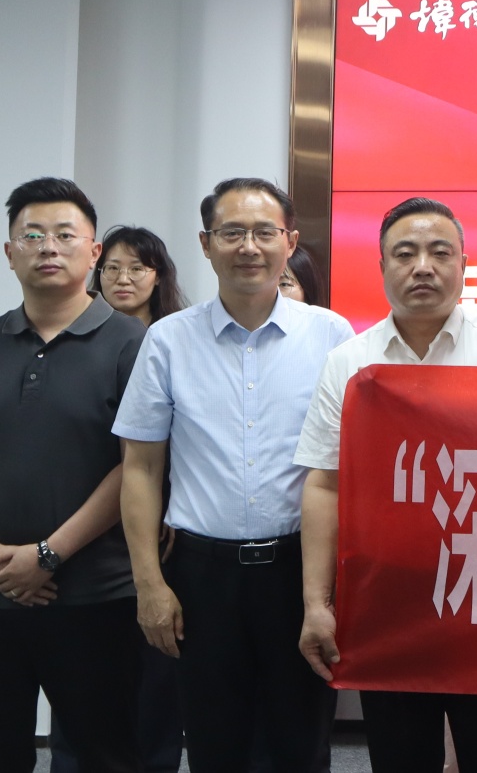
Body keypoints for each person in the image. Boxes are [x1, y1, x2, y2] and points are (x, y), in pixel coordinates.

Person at [114, 178, 356, 773]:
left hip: (300, 571)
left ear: (289, 242)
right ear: (206, 244)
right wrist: (149, 585)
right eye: (232, 232)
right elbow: (141, 468)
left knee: (302, 743)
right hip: (201, 577)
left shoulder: (332, 335)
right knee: (214, 744)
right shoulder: (168, 340)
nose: (249, 246)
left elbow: (349, 466)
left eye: (264, 232)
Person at [296, 198, 477, 773]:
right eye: (405, 254)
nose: (423, 267)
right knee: (401, 756)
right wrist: (316, 603)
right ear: (382, 266)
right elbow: (324, 484)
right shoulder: (349, 361)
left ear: (464, 264)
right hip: (389, 597)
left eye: (439, 252)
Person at [0, 178, 147, 773]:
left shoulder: (137, 345)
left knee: (106, 755)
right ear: (9, 252)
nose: (48, 246)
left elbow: (138, 467)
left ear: (93, 251)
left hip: (97, 594)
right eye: (32, 235)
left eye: (65, 235)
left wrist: (48, 554)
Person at [51, 226, 193, 773]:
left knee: (156, 673)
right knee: (80, 680)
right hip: (87, 533)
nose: (122, 278)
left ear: (159, 276)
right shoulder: (71, 343)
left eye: (137, 267)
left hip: (165, 533)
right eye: (111, 267)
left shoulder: (179, 341)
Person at [95, 225, 189, 326]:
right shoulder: (86, 330)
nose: (123, 280)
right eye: (113, 268)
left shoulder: (175, 330)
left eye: (136, 269)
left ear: (158, 276)